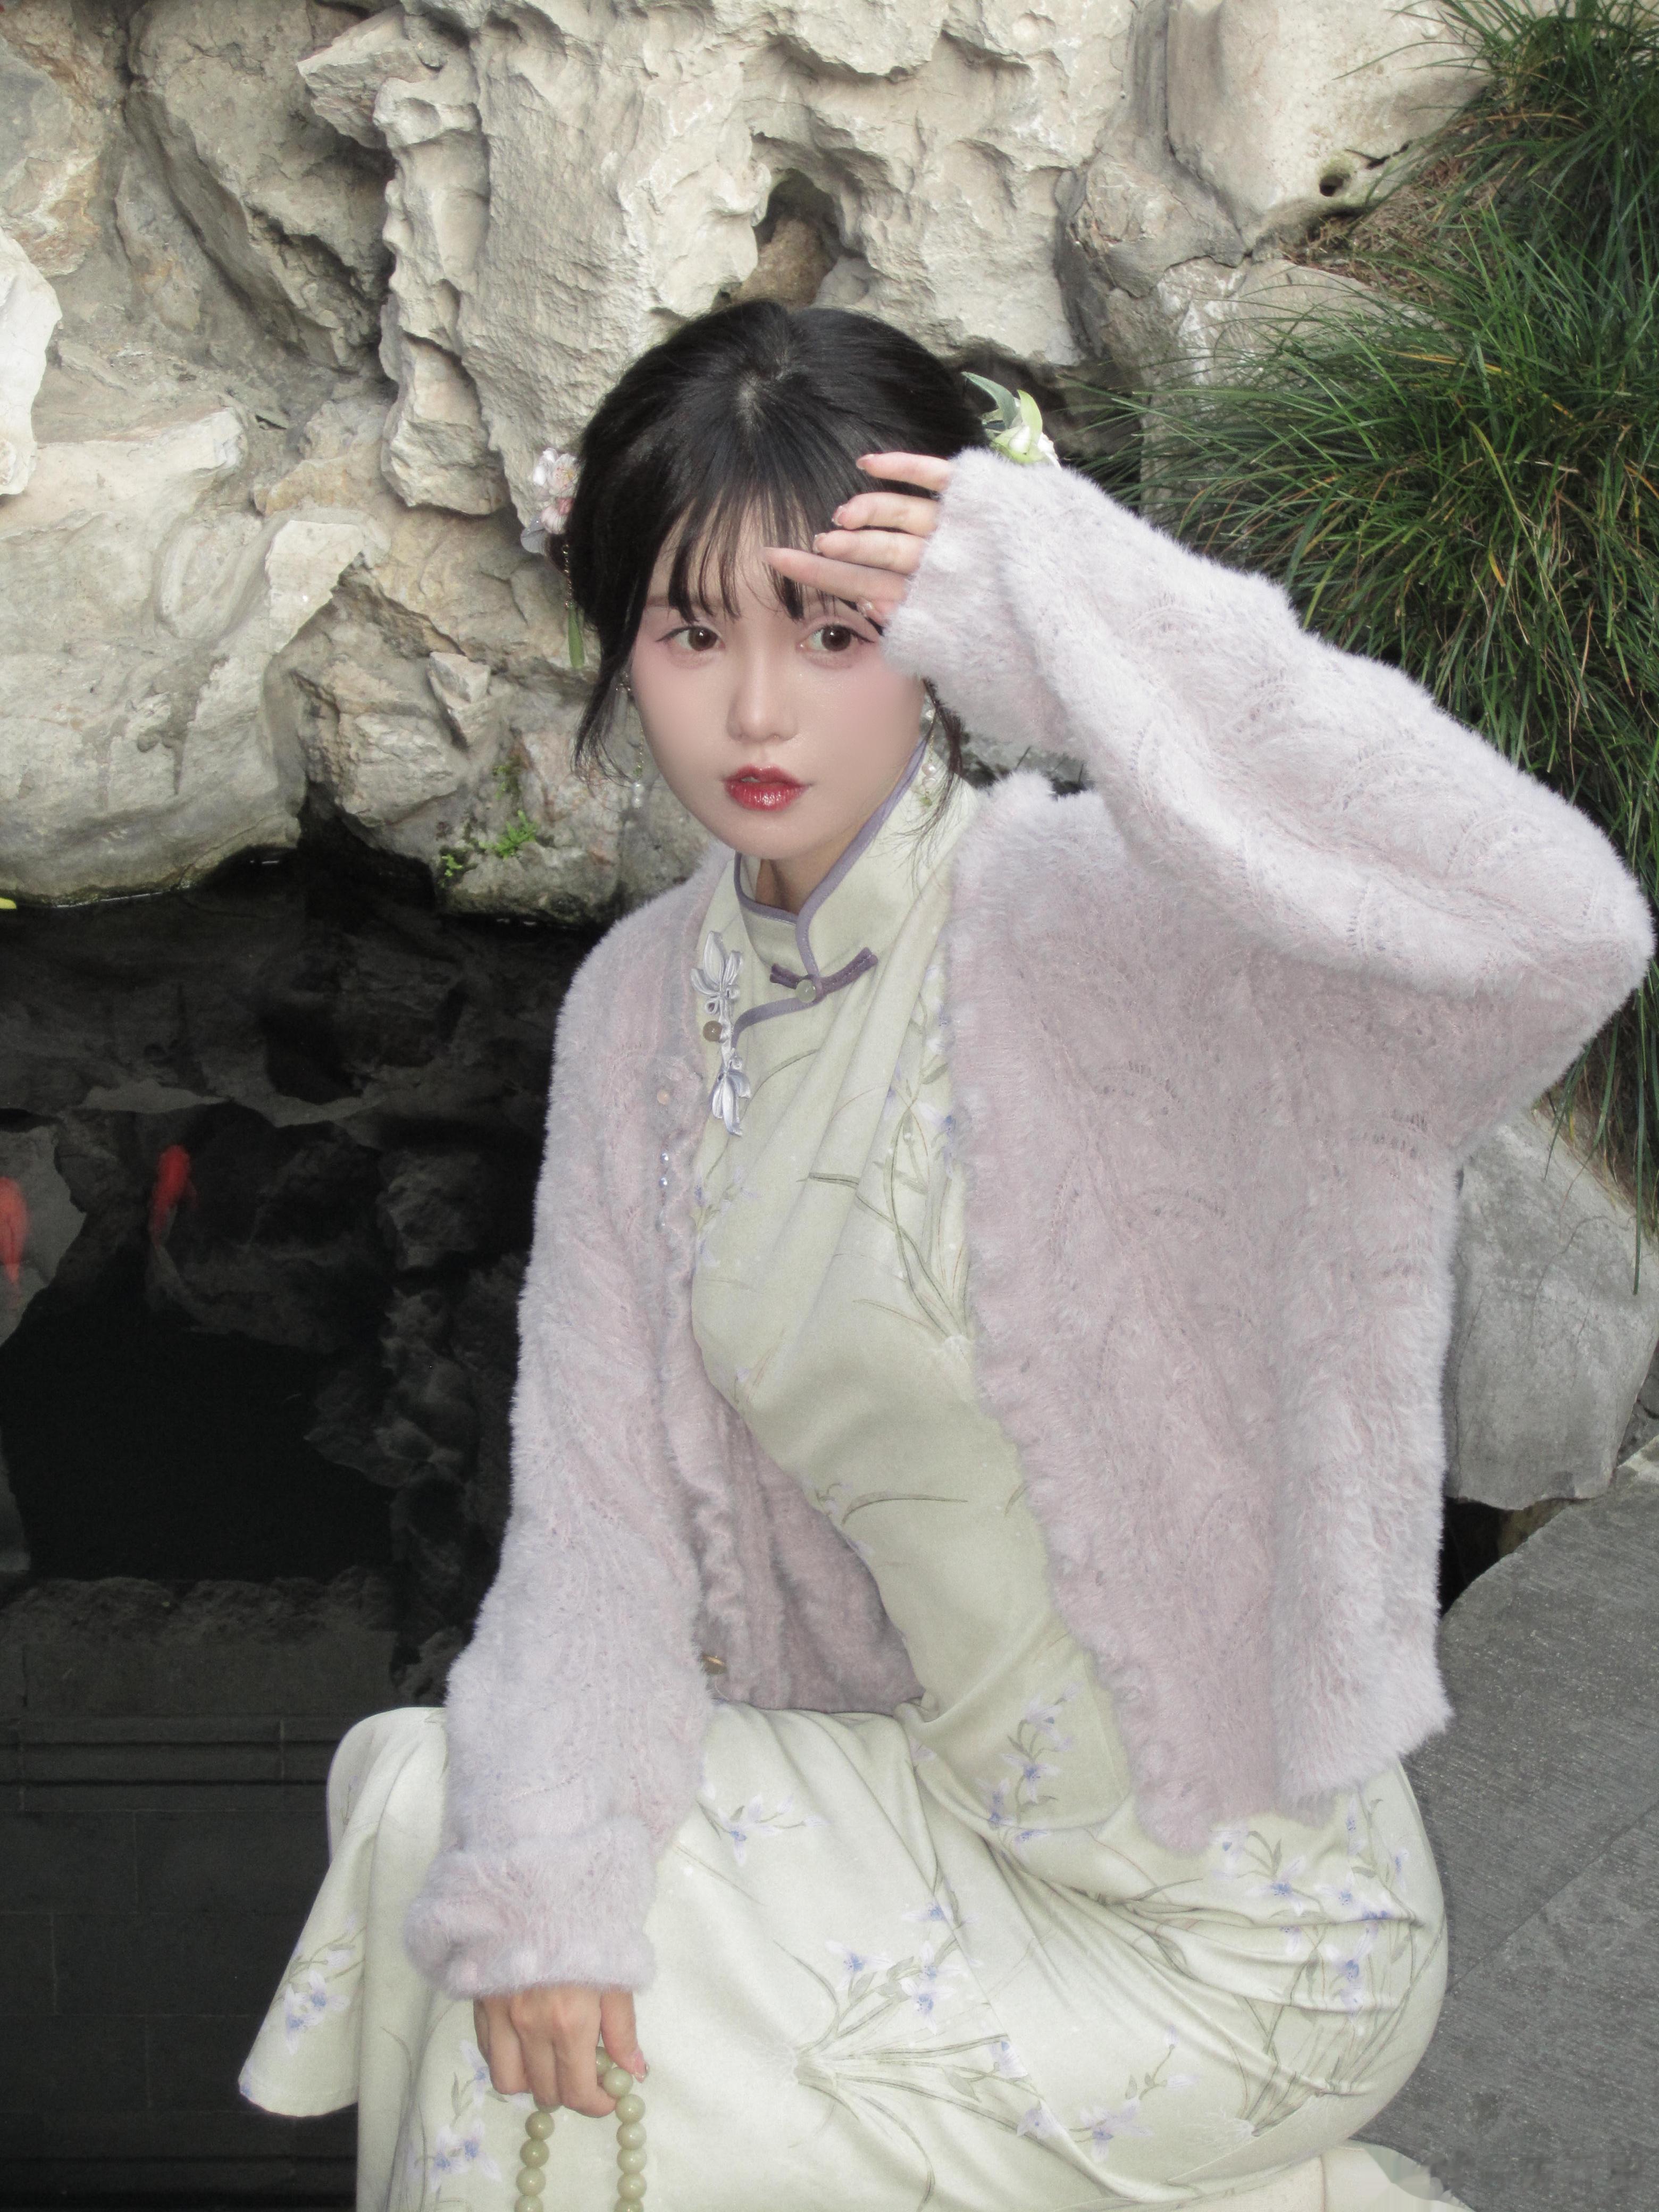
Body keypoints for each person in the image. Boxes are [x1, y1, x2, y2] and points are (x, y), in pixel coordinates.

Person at [240, 301, 1653, 2212]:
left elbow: (1555, 928)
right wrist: (553, 1872)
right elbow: (597, 1524)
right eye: (691, 633)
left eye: (834, 631)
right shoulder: (644, 1003)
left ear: (936, 630)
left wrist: (1074, 601)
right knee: (456, 1829)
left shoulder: (1105, 924)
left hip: (1239, 1929)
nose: (757, 714)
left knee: (594, 2075)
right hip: (936, 1809)